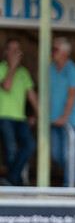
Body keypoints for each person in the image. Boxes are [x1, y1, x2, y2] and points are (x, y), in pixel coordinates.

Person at [0, 37, 39, 186]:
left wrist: (37, 115)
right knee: (11, 150)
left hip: (20, 117)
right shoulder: (2, 68)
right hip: (4, 116)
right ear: (6, 52)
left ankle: (13, 179)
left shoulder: (24, 72)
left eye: (18, 50)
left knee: (30, 144)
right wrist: (12, 67)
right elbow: (7, 86)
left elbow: (32, 95)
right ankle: (16, 181)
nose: (16, 53)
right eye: (13, 49)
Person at [50, 36, 75, 187]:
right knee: (55, 154)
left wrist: (64, 117)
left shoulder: (73, 70)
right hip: (53, 120)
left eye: (55, 49)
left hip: (71, 121)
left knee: (68, 155)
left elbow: (72, 95)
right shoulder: (50, 69)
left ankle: (69, 186)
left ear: (65, 52)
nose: (52, 52)